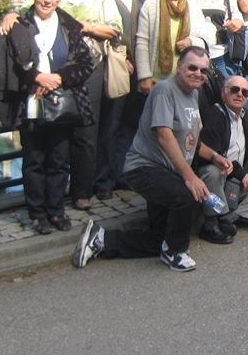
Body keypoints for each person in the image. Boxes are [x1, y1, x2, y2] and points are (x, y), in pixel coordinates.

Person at [73, 47, 233, 272]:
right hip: (145, 168)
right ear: (179, 66)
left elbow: (191, 140)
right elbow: (164, 135)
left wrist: (215, 156)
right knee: (188, 195)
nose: (198, 74)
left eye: (204, 71)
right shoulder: (164, 90)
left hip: (168, 172)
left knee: (160, 237)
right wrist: (190, 177)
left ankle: (101, 239)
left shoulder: (193, 94)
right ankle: (175, 252)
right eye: (192, 68)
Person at [0, 0, 123, 211]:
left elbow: (116, 30)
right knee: (53, 133)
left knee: (85, 134)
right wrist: (10, 14)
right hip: (48, 72)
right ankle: (51, 198)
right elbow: (25, 12)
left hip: (89, 69)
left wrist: (87, 27)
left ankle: (81, 191)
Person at [9, 0, 94, 234]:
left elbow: (86, 64)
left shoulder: (70, 26)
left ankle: (56, 211)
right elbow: (13, 63)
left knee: (59, 160)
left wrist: (57, 78)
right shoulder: (19, 24)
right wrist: (36, 77)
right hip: (30, 105)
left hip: (61, 105)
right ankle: (37, 214)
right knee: (34, 160)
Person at [196, 75, 248, 242]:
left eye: (245, 92)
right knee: (212, 172)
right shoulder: (215, 114)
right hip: (218, 175)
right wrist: (241, 174)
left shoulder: (245, 116)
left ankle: (228, 218)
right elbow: (213, 156)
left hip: (234, 176)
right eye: (234, 90)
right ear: (223, 92)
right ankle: (210, 223)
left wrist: (247, 173)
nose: (240, 94)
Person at [96, 0, 146, 200]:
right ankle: (103, 180)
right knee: (109, 125)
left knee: (131, 125)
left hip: (139, 71)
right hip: (113, 68)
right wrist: (119, 57)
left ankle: (123, 174)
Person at [135, 0, 213, 97]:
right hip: (156, 79)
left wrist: (191, 42)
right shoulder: (150, 5)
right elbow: (142, 43)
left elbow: (206, 38)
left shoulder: (194, 6)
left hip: (187, 79)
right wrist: (144, 76)